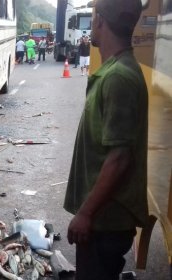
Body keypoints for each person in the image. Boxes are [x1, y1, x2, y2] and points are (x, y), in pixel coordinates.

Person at [63, 1, 147, 279]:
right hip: (103, 218)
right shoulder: (114, 71)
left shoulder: (118, 78)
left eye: (95, 13)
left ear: (100, 21)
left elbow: (119, 158)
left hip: (105, 221)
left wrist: (85, 213)